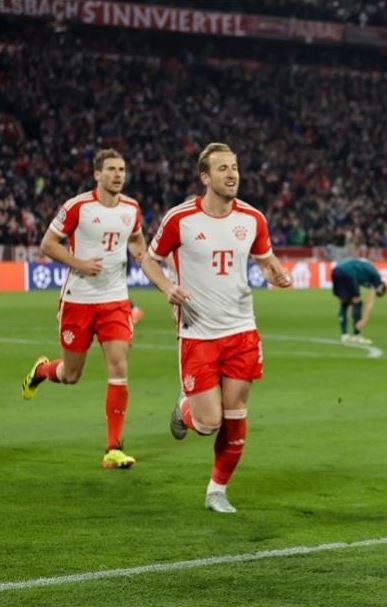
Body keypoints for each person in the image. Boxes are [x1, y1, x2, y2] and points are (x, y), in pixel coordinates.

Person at [140, 142, 292, 513]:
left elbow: (265, 259)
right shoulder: (181, 219)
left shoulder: (252, 219)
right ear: (205, 177)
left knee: (236, 412)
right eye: (223, 168)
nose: (232, 174)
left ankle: (217, 490)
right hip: (198, 332)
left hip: (241, 330)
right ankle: (184, 407)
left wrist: (277, 273)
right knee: (208, 422)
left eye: (235, 167)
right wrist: (166, 287)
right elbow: (149, 259)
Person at [21, 149, 145, 470]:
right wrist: (80, 264)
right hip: (78, 300)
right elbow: (48, 244)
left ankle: (113, 448)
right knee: (71, 374)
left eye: (122, 169)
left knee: (118, 369)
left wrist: (144, 257)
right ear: (97, 174)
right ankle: (42, 371)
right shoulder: (78, 207)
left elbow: (135, 239)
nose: (118, 175)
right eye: (112, 170)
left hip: (116, 300)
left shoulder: (131, 208)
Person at [330, 258, 386, 344]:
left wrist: (352, 308)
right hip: (348, 272)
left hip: (336, 271)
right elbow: (369, 302)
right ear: (381, 287)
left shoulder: (365, 273)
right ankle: (357, 335)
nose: (376, 295)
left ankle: (344, 336)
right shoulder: (376, 278)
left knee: (344, 302)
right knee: (357, 301)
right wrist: (364, 320)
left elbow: (352, 291)